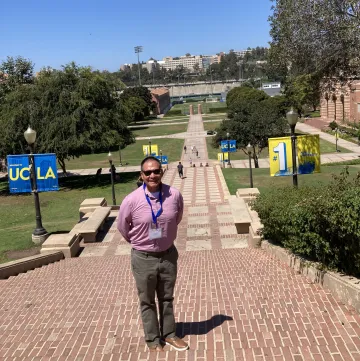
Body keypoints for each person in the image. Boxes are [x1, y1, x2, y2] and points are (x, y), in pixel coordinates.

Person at [117, 156, 189, 353]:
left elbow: (177, 217)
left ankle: (170, 335)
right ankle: (152, 339)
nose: (152, 175)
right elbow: (123, 227)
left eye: (156, 171)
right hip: (143, 258)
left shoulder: (174, 195)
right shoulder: (131, 200)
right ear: (141, 175)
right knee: (147, 300)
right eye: (147, 172)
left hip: (168, 255)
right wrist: (139, 243)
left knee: (167, 298)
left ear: (162, 172)